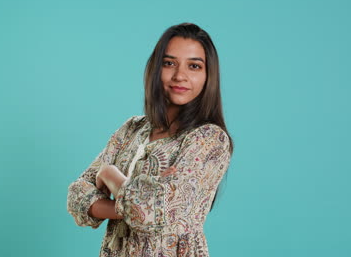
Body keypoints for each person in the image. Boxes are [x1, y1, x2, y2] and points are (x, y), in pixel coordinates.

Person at [67, 22, 234, 257]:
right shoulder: (132, 129)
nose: (180, 76)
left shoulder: (209, 140)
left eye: (194, 66)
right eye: (169, 63)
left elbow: (148, 212)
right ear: (156, 68)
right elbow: (78, 195)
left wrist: (109, 173)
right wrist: (130, 205)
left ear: (208, 76)